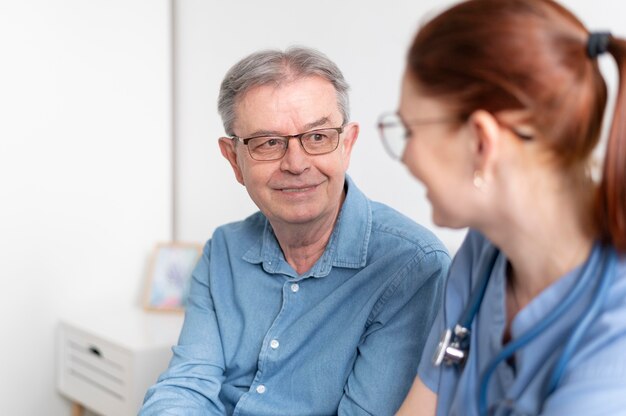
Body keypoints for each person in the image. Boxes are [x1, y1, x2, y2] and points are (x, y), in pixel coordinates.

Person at [140, 46, 450, 416]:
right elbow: (185, 387)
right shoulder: (223, 248)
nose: (296, 163)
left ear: (346, 145)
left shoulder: (412, 267)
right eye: (269, 142)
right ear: (233, 160)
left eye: (317, 137)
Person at [376, 0, 626, 415]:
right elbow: (422, 405)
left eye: (410, 131)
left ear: (480, 143)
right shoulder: (484, 251)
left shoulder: (613, 340)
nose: (406, 157)